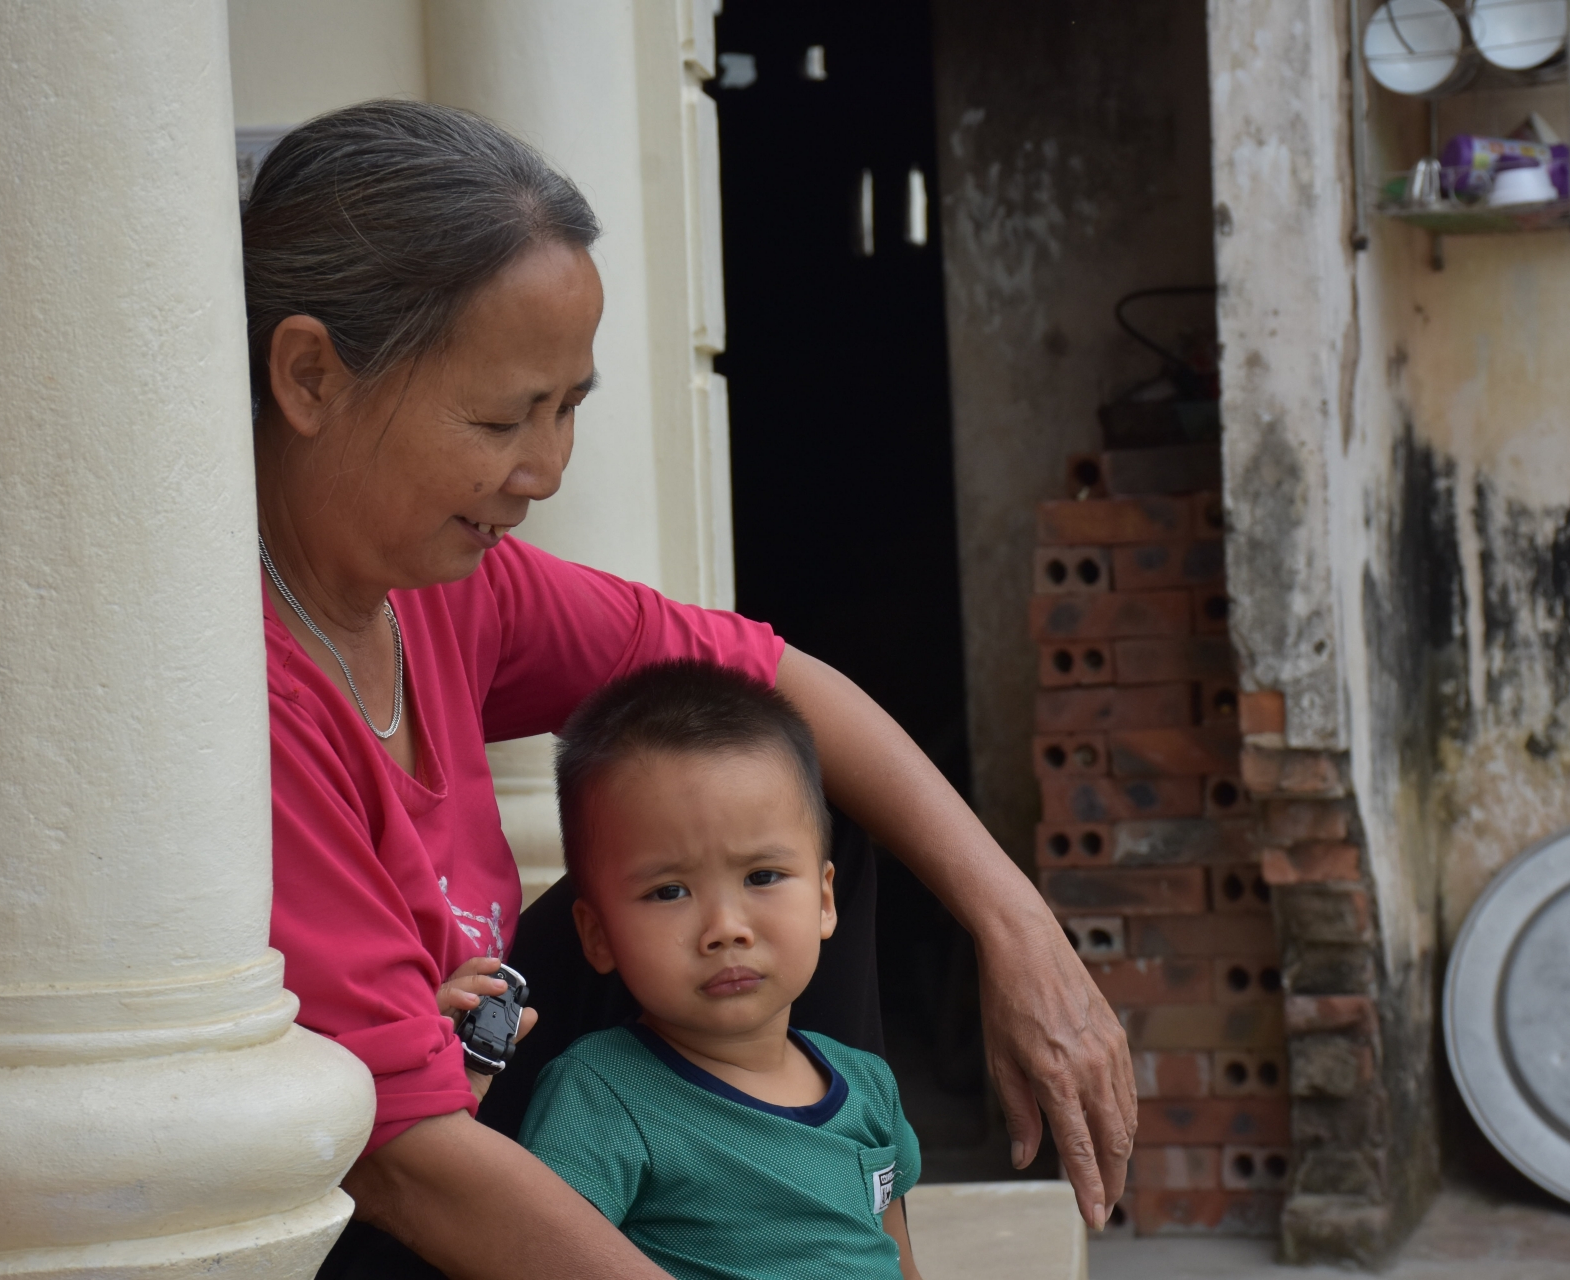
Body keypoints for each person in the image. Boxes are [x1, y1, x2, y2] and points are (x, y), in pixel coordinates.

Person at [245, 99, 1131, 1280]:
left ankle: (822, 1234)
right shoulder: (246, 698)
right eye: (504, 416)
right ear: (311, 376)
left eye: (567, 409)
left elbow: (777, 681)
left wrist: (1017, 928)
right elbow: (399, 1159)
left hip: (473, 1072)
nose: (547, 468)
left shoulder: (446, 587)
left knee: (789, 796)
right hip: (379, 1207)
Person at [521, 660, 922, 1280]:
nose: (725, 928)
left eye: (762, 877)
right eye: (668, 891)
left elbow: (896, 1257)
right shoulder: (600, 1098)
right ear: (596, 935)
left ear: (823, 900)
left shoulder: (867, 1087)